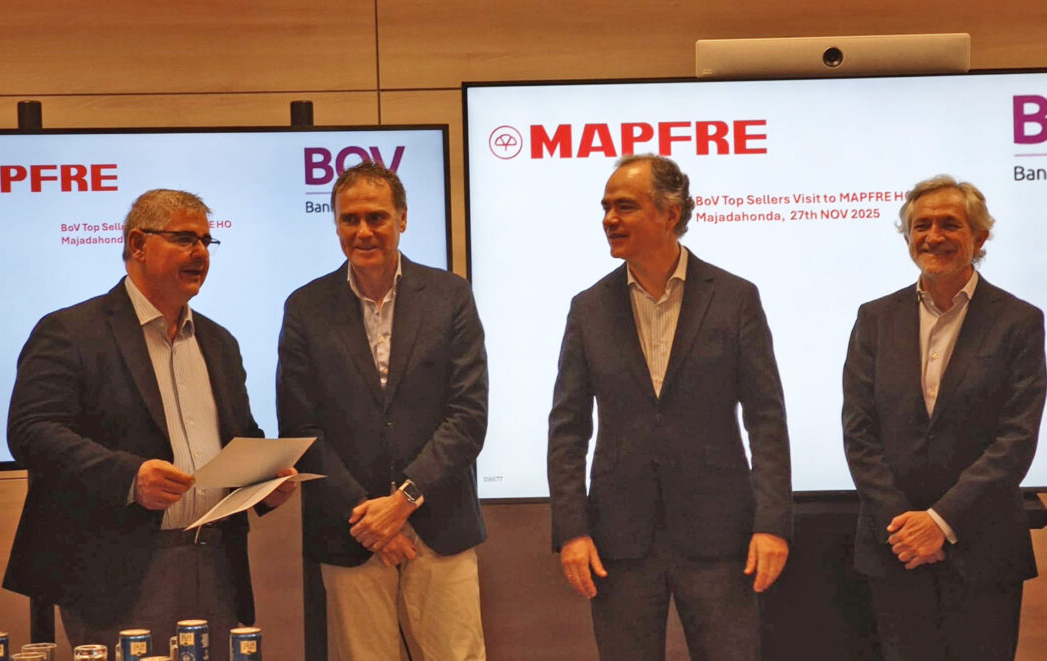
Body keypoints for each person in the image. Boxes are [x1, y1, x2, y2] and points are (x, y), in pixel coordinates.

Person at [3, 189, 297, 661]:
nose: (200, 252)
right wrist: (130, 477)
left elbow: (240, 438)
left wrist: (265, 485)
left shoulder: (220, 343)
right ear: (138, 244)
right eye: (184, 239)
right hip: (117, 571)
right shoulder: (71, 331)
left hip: (217, 563)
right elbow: (32, 431)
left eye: (206, 241)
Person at [547, 154, 792, 661]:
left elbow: (766, 422)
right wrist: (572, 530)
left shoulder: (735, 298)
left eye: (625, 207)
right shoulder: (588, 308)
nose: (609, 219)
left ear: (670, 213)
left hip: (720, 536)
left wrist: (772, 523)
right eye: (606, 207)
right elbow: (567, 430)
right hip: (619, 541)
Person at [277, 160, 488, 660]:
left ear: (403, 219)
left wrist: (402, 503)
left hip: (440, 525)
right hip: (351, 531)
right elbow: (301, 427)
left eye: (377, 217)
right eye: (349, 219)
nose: (363, 231)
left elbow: (468, 416)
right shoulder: (306, 307)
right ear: (336, 224)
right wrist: (370, 519)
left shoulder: (450, 296)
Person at [842, 175, 1045, 661]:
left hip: (983, 548)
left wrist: (940, 521)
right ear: (908, 237)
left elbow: (1016, 439)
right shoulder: (874, 318)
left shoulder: (1020, 321)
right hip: (895, 549)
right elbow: (859, 433)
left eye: (950, 224)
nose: (934, 236)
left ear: (980, 236)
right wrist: (906, 528)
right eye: (921, 225)